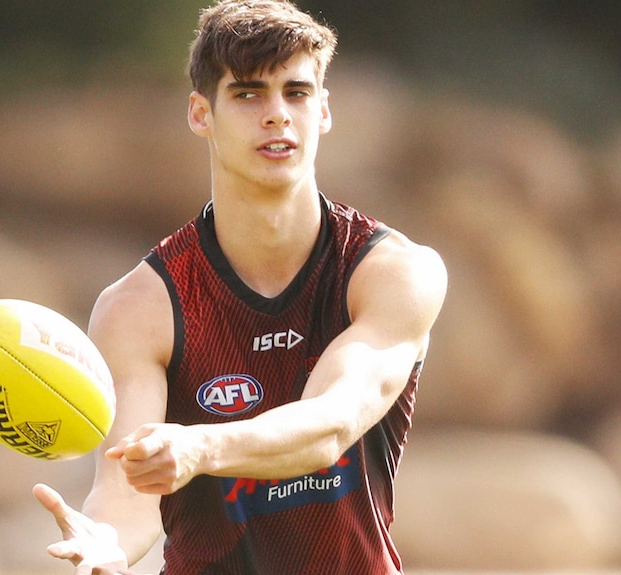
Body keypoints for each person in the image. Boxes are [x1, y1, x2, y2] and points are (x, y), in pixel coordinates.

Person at [34, 1, 447, 573]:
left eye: (296, 93)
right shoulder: (141, 307)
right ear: (201, 114)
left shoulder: (391, 272)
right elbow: (128, 489)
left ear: (323, 110)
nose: (277, 115)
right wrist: (105, 544)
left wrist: (200, 448)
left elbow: (330, 426)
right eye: (248, 94)